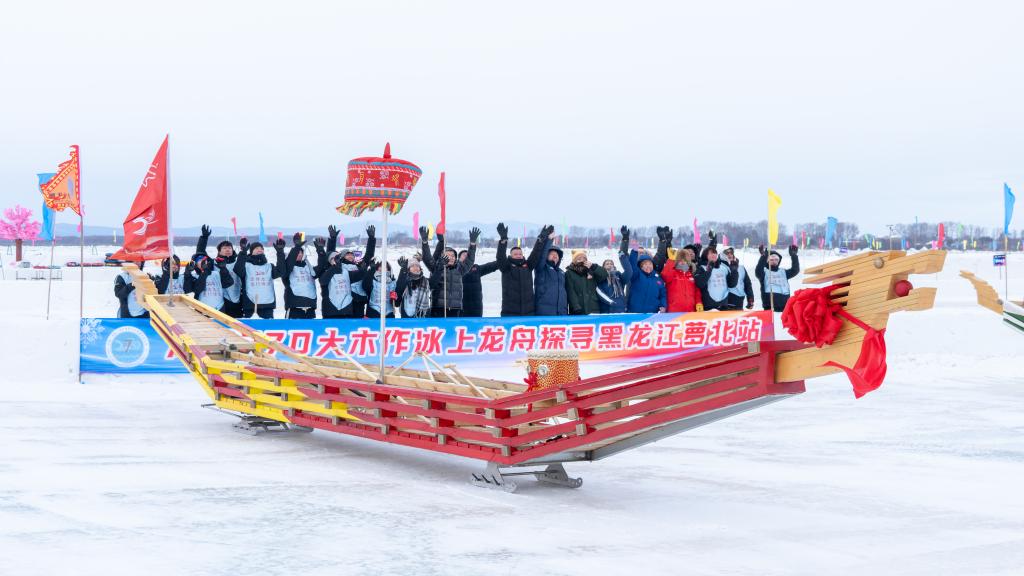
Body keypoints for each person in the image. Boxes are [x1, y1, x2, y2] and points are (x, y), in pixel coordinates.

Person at [421, 226, 479, 317]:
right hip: (438, 308)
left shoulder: (459, 269)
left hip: (456, 309)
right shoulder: (436, 267)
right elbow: (427, 258)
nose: (451, 258)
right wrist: (425, 243)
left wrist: (472, 244)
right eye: (448, 255)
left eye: (453, 256)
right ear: (442, 257)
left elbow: (470, 260)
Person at [495, 222, 545, 316]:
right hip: (510, 313)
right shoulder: (506, 267)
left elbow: (535, 253)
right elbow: (500, 257)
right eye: (515, 254)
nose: (518, 255)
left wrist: (540, 240)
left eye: (520, 254)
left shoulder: (528, 265)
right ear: (510, 256)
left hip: (529, 313)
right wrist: (503, 240)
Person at [196, 225, 243, 318]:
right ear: (219, 251)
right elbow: (200, 253)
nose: (227, 250)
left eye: (229, 248)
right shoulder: (214, 263)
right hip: (222, 299)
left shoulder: (237, 263)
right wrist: (204, 238)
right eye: (224, 248)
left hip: (237, 298)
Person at [233, 237, 283, 319]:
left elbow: (281, 271)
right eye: (256, 248)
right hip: (251, 305)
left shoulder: (269, 266)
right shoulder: (246, 265)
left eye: (261, 248)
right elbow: (237, 270)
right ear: (251, 252)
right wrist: (243, 252)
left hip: (267, 305)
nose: (259, 249)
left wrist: (280, 252)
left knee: (268, 326)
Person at [317, 246, 367, 319]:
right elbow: (323, 281)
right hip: (330, 311)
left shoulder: (345, 272)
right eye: (334, 258)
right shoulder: (325, 271)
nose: (336, 260)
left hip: (346, 310)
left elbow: (358, 275)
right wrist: (335, 267)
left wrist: (363, 269)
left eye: (337, 258)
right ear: (329, 260)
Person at [277, 233, 318, 319]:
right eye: (297, 253)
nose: (299, 254)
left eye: (301, 253)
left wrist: (321, 250)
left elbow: (322, 267)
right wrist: (297, 247)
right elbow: (289, 264)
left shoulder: (309, 268)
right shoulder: (287, 270)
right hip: (294, 309)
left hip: (310, 309)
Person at [533, 225, 568, 316]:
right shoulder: (541, 267)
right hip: (544, 313)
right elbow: (541, 255)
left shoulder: (561, 272)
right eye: (552, 254)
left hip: (561, 313)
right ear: (546, 255)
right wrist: (549, 240)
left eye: (557, 255)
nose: (555, 256)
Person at [342, 225, 376, 318]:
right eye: (347, 254)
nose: (350, 256)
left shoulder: (359, 266)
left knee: (358, 321)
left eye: (352, 254)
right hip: (347, 299)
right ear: (342, 257)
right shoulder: (340, 267)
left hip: (360, 299)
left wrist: (371, 239)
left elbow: (369, 256)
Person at [597, 227, 632, 314]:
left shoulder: (619, 277)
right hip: (606, 311)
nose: (609, 265)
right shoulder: (600, 277)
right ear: (603, 267)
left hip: (620, 310)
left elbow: (629, 271)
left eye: (611, 263)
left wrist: (625, 241)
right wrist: (611, 302)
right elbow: (599, 292)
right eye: (607, 264)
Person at [756, 244, 800, 312]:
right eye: (771, 260)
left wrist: (794, 256)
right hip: (770, 307)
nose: (774, 261)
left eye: (776, 259)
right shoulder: (764, 272)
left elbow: (795, 270)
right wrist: (763, 257)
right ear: (767, 261)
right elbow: (758, 271)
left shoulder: (783, 272)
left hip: (785, 307)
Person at [459, 247, 500, 317]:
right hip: (461, 305)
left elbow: (491, 266)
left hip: (476, 306)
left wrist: (502, 260)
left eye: (468, 256)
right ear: (459, 258)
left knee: (476, 322)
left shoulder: (477, 269)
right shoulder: (455, 269)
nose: (467, 257)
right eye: (464, 255)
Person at [626, 243, 667, 313]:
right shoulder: (636, 275)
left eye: (650, 264)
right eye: (645, 264)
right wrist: (634, 251)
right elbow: (632, 265)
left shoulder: (658, 279)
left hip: (652, 314)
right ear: (641, 267)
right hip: (635, 312)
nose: (648, 266)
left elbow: (663, 295)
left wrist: (663, 305)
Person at [565, 249, 609, 315]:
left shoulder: (591, 270)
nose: (582, 260)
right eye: (579, 258)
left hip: (593, 307)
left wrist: (594, 267)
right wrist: (575, 306)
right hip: (578, 309)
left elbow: (604, 275)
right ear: (574, 261)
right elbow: (570, 291)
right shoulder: (569, 273)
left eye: (584, 258)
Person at [693, 245, 737, 311]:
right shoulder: (701, 267)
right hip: (708, 306)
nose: (714, 254)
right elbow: (700, 284)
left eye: (715, 253)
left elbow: (732, 285)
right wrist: (708, 271)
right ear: (705, 255)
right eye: (711, 253)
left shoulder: (724, 267)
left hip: (723, 305)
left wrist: (734, 271)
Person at [661, 245, 701, 313]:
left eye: (685, 260)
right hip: (674, 311)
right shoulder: (672, 273)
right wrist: (671, 260)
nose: (682, 262)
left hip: (690, 311)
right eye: (680, 260)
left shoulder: (691, 275)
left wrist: (698, 303)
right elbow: (665, 276)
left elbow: (697, 292)